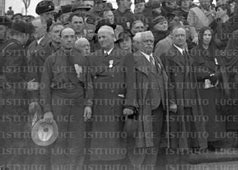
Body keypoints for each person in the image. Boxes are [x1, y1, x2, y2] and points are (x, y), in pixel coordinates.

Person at [40, 27, 92, 170]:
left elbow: (88, 84)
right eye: (66, 37)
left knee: (77, 142)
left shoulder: (82, 59)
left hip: (78, 104)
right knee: (58, 142)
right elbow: (44, 87)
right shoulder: (51, 60)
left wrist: (88, 104)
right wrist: (47, 110)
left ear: (75, 38)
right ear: (60, 39)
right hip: (59, 104)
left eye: (72, 36)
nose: (69, 39)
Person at [87, 25, 136, 165]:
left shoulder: (126, 56)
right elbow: (89, 83)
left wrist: (130, 105)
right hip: (99, 106)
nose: (101, 40)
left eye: (104, 37)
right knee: (99, 145)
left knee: (116, 145)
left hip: (117, 105)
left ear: (113, 38)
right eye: (99, 37)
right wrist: (89, 104)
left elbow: (131, 82)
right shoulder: (93, 57)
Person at [160, 26, 207, 153]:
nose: (180, 38)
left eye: (182, 35)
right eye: (177, 36)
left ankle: (192, 148)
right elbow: (167, 80)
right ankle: (180, 152)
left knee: (191, 123)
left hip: (190, 95)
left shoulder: (187, 53)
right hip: (178, 95)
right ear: (172, 38)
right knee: (179, 125)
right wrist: (172, 101)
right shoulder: (168, 55)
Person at [129, 31, 168, 169]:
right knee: (141, 142)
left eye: (151, 41)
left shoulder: (157, 59)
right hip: (143, 108)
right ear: (139, 44)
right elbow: (130, 85)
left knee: (155, 141)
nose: (149, 44)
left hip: (159, 107)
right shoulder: (134, 59)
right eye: (146, 41)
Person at [0, 21, 34, 168]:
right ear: (25, 35)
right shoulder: (16, 48)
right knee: (16, 138)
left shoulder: (6, 45)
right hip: (14, 101)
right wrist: (27, 85)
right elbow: (11, 74)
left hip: (7, 100)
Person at [190, 27, 227, 149]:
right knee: (205, 115)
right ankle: (205, 142)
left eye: (209, 35)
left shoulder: (215, 51)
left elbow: (222, 67)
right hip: (202, 88)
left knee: (216, 115)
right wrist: (207, 75)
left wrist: (217, 75)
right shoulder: (195, 51)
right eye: (205, 35)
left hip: (215, 88)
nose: (207, 37)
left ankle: (216, 140)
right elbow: (192, 70)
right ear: (201, 37)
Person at [221, 29, 238, 145]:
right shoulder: (227, 53)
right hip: (231, 85)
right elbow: (223, 69)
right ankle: (234, 138)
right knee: (234, 112)